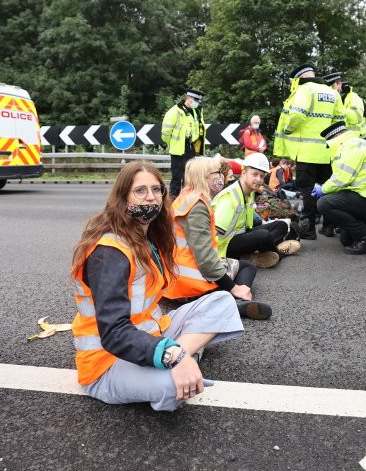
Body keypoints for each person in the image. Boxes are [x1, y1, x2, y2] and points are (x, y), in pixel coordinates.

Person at [71, 161, 244, 410]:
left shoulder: (147, 237)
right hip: (106, 363)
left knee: (224, 301)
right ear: (122, 197)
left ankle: (179, 357)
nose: (151, 198)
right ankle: (181, 358)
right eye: (140, 191)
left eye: (156, 190)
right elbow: (113, 333)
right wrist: (172, 355)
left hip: (153, 335)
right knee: (175, 388)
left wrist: (174, 354)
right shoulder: (109, 253)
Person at [163, 156, 273, 321]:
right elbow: (205, 259)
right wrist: (235, 287)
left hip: (176, 275)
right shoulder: (198, 207)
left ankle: (227, 300)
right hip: (190, 282)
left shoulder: (186, 197)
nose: (221, 177)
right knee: (247, 268)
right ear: (204, 176)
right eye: (217, 173)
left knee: (246, 266)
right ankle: (234, 302)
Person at [272, 64, 346, 240]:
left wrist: (289, 129)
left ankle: (309, 228)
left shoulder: (305, 90)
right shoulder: (332, 92)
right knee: (328, 188)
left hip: (306, 151)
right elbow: (340, 121)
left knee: (306, 190)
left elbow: (297, 115)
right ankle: (328, 226)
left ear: (300, 78)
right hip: (327, 151)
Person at [313, 123, 366, 254]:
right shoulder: (355, 144)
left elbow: (342, 178)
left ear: (336, 137)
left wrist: (323, 189)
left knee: (324, 203)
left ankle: (365, 238)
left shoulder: (351, 146)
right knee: (347, 240)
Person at [212, 152, 301, 266]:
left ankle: (255, 255)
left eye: (262, 176)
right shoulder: (229, 198)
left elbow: (250, 220)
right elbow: (213, 232)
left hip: (240, 234)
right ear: (244, 173)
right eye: (255, 174)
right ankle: (277, 252)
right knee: (263, 235)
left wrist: (267, 223)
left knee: (281, 225)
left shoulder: (248, 193)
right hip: (225, 246)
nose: (259, 179)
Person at [162, 88, 206, 197]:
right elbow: (166, 133)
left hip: (190, 148)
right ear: (189, 98)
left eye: (198, 101)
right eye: (195, 100)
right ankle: (173, 204)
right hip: (178, 150)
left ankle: (186, 202)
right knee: (177, 178)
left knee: (189, 178)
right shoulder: (175, 111)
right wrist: (173, 144)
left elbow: (197, 130)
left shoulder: (196, 112)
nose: (197, 103)